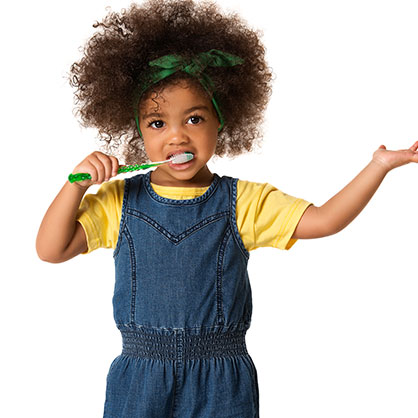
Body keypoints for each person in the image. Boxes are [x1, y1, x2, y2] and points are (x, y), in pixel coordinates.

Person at [36, 0, 418, 416]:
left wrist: (379, 166)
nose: (177, 137)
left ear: (223, 120)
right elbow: (51, 249)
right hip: (139, 377)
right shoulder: (119, 200)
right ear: (137, 131)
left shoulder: (244, 202)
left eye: (195, 119)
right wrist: (75, 186)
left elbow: (325, 220)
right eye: (158, 123)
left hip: (221, 380)